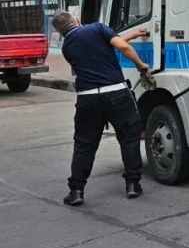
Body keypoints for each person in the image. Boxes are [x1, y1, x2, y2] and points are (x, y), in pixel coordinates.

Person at [52, 11, 151, 206]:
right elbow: (120, 45)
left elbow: (104, 46)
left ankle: (77, 191)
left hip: (87, 99)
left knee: (84, 145)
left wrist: (134, 34)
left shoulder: (67, 48)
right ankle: (132, 185)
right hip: (116, 93)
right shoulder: (97, 28)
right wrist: (141, 66)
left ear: (61, 32)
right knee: (129, 138)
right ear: (76, 20)